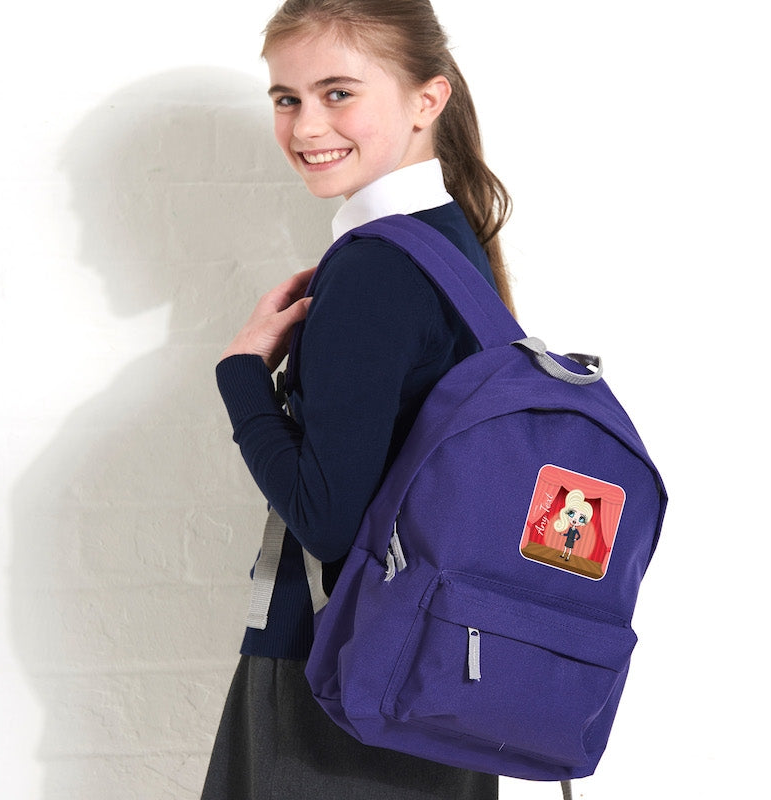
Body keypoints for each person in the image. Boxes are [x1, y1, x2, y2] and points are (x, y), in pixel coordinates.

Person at [202, 1, 512, 797]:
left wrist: (242, 376)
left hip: (339, 689)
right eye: (287, 98)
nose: (307, 127)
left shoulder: (376, 268)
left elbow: (326, 520)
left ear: (427, 99)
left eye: (338, 93)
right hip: (438, 672)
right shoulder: (451, 237)